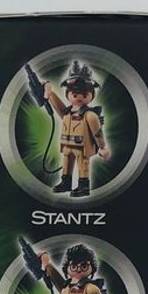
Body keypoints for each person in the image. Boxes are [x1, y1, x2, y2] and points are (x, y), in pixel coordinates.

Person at [44, 61, 110, 197]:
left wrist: (102, 147)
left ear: (92, 95)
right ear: (68, 94)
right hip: (67, 145)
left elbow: (97, 132)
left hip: (83, 147)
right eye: (75, 94)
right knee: (66, 162)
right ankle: (66, 183)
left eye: (84, 95)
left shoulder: (90, 115)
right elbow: (59, 108)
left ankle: (83, 186)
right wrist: (50, 93)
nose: (79, 97)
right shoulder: (68, 113)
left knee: (83, 164)